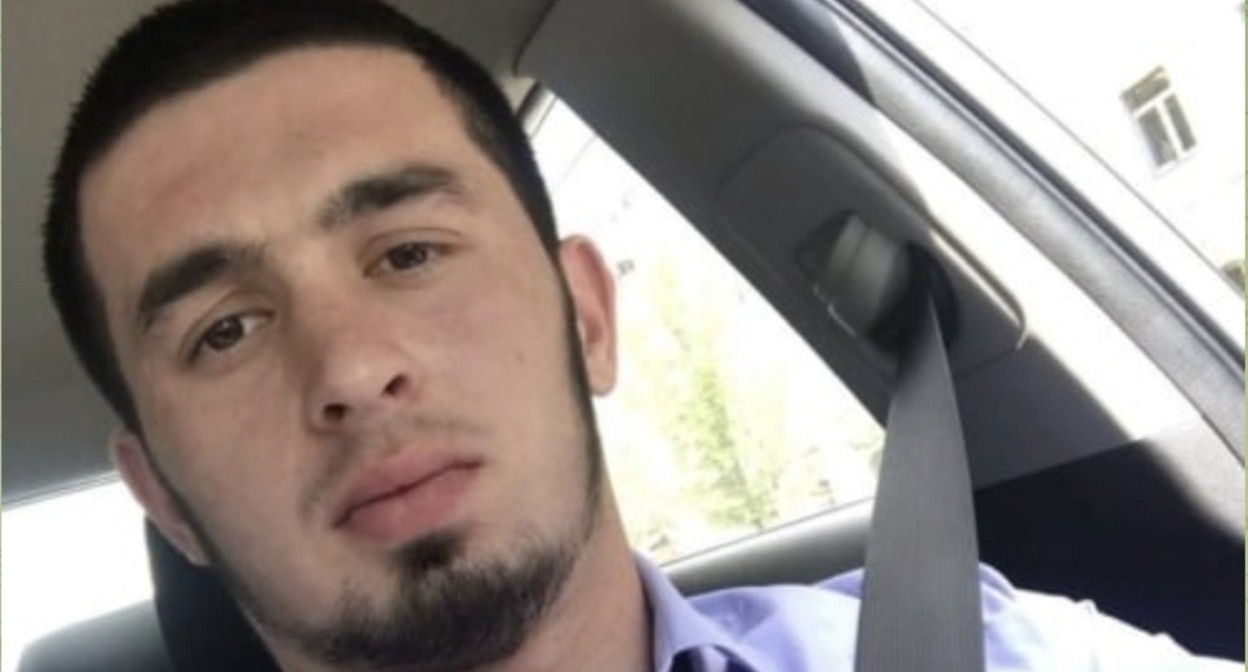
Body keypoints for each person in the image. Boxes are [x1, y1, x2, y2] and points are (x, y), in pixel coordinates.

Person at [40, 1, 1239, 670]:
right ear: (166, 501)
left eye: (408, 253)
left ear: (586, 316)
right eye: (226, 330)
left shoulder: (992, 650)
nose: (351, 368)